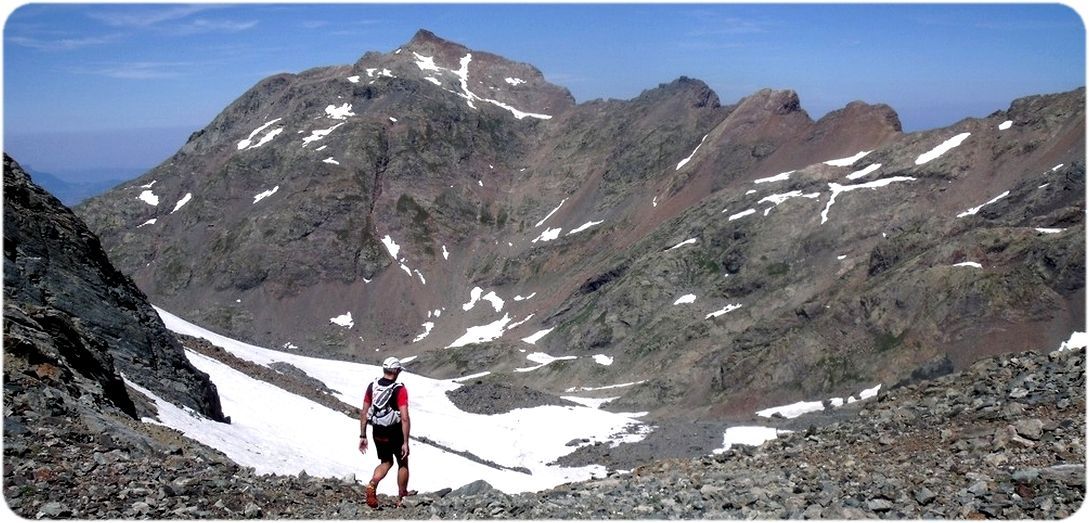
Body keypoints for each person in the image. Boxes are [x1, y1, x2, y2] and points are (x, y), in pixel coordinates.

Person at [358, 356, 412, 508]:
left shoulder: (372, 386)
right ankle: (402, 497)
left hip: (377, 430)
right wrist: (406, 442)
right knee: (403, 462)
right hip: (394, 432)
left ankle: (373, 483)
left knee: (386, 461)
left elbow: (364, 412)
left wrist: (363, 435)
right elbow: (405, 418)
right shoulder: (399, 389)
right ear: (396, 371)